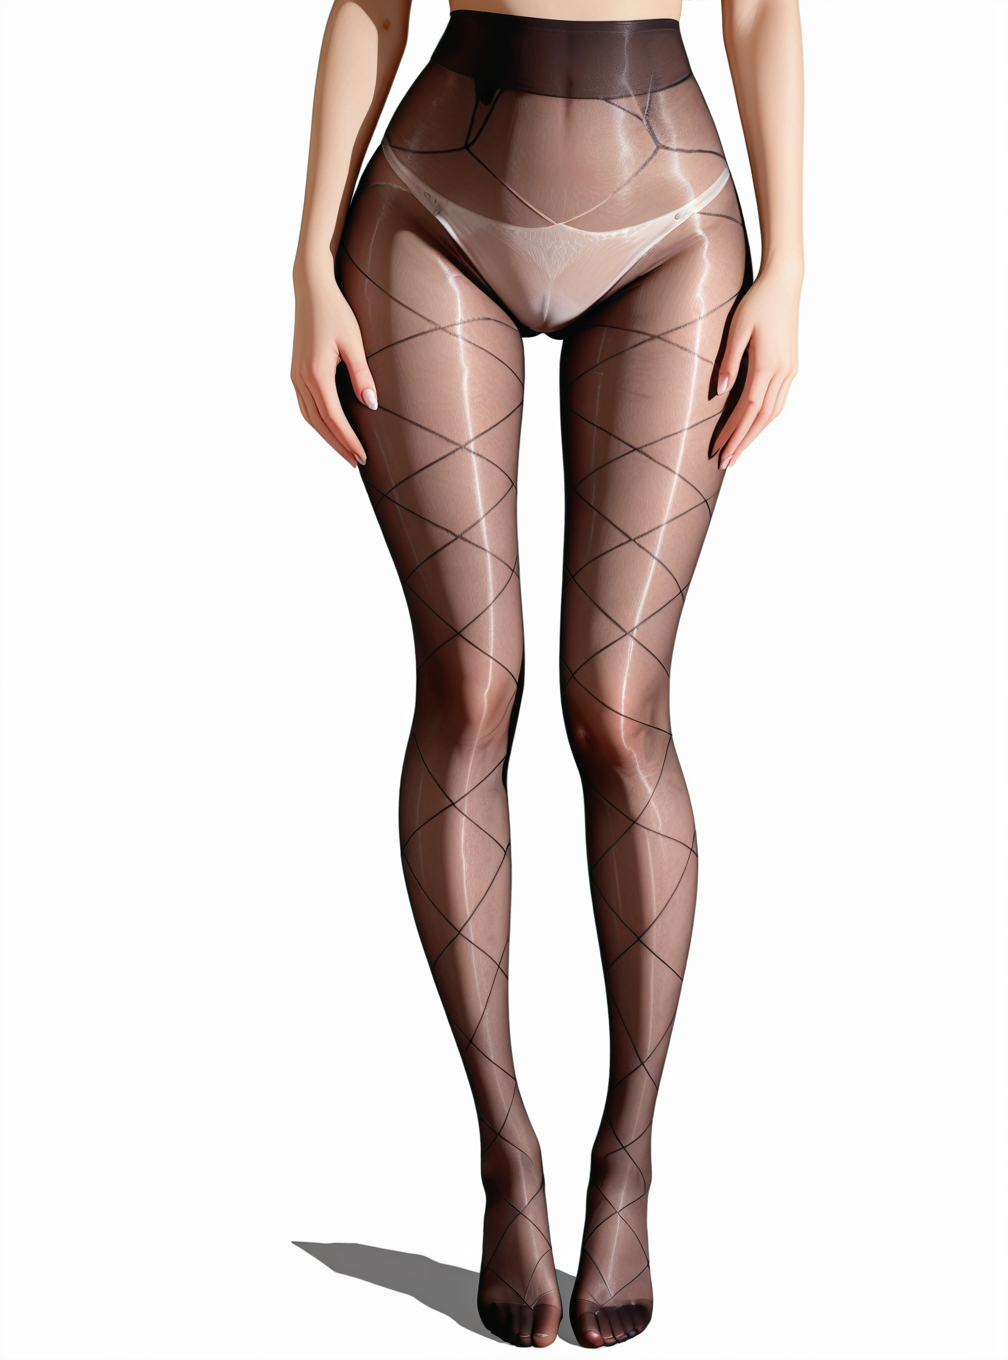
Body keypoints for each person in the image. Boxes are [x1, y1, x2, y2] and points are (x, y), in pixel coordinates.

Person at [291, 0, 803, 1347]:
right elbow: (369, 1)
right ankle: (505, 1152)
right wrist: (305, 264)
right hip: (431, 211)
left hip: (672, 219)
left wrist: (793, 264)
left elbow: (762, 7)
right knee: (471, 690)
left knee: (619, 710)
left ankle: (628, 1159)